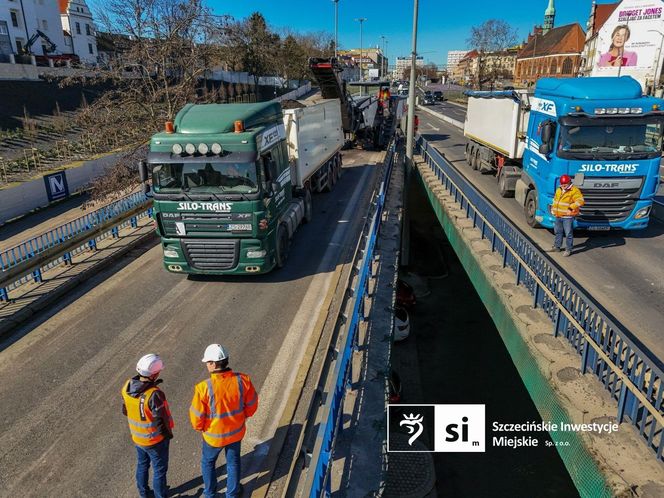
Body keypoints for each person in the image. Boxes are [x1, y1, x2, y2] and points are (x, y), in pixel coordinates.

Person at [190, 344, 258, 498]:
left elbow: (196, 418)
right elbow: (252, 405)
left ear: (213, 364)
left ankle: (209, 494)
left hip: (213, 437)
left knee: (208, 463)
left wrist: (202, 428)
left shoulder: (203, 388)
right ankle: (232, 494)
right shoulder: (243, 380)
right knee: (233, 462)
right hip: (236, 433)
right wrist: (243, 416)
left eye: (208, 362)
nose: (207, 365)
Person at [121, 354, 174, 498]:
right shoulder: (154, 394)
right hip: (155, 440)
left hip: (138, 438)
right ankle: (160, 495)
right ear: (154, 374)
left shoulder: (127, 386)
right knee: (159, 470)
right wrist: (168, 435)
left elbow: (125, 410)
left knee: (142, 465)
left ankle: (144, 494)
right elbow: (160, 420)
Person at [550, 174, 585, 257]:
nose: (563, 186)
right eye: (562, 184)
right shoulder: (559, 189)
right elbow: (555, 200)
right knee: (558, 232)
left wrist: (571, 208)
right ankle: (557, 246)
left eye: (565, 184)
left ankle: (568, 249)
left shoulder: (574, 190)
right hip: (558, 215)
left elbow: (580, 201)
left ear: (569, 182)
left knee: (568, 233)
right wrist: (553, 209)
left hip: (567, 217)